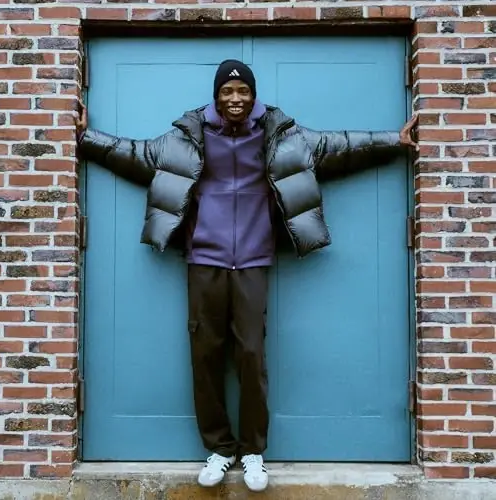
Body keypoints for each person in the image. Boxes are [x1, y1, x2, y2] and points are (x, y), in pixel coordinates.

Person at [75, 59, 418, 492]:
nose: (235, 98)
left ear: (253, 96)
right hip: (205, 259)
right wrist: (85, 137)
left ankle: (253, 451)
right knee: (205, 356)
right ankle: (219, 448)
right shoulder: (187, 137)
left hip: (254, 260)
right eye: (227, 91)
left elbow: (341, 146)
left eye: (243, 91)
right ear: (216, 96)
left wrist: (395, 140)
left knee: (251, 357)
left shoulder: (282, 135)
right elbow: (136, 154)